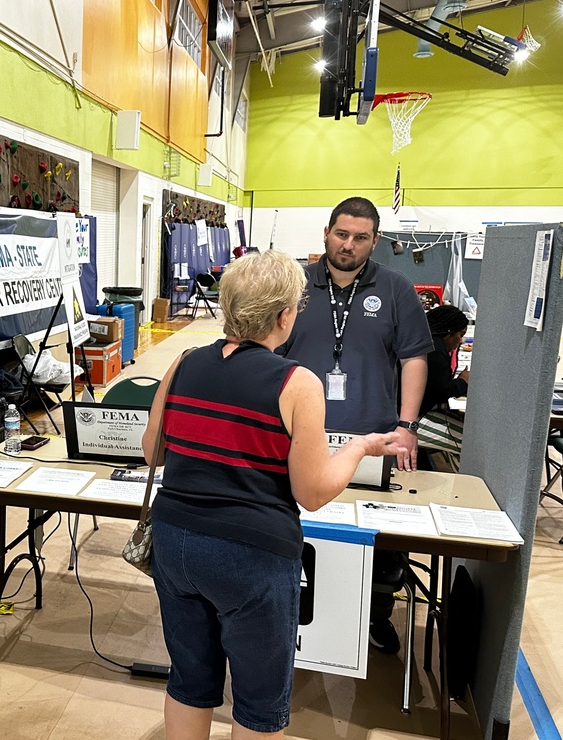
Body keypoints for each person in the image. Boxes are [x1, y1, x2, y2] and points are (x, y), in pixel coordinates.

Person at [142, 250, 406, 740]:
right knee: (260, 700)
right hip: (251, 555)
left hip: (175, 540)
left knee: (189, 679)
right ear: (285, 316)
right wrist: (358, 447)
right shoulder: (296, 383)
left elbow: (151, 450)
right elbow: (312, 493)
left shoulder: (182, 364)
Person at [279, 196, 433, 655]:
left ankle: (375, 614)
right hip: (300, 432)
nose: (348, 245)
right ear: (326, 232)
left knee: (377, 540)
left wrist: (406, 425)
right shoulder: (293, 285)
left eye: (360, 237)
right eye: (341, 234)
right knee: (298, 526)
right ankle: (296, 610)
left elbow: (414, 358)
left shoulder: (396, 288)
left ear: (375, 241)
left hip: (373, 437)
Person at [417, 304, 470, 470]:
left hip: (410, 413)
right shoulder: (435, 351)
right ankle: (464, 490)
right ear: (449, 333)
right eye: (460, 335)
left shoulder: (423, 341)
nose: (460, 341)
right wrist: (463, 381)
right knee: (469, 444)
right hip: (414, 419)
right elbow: (442, 390)